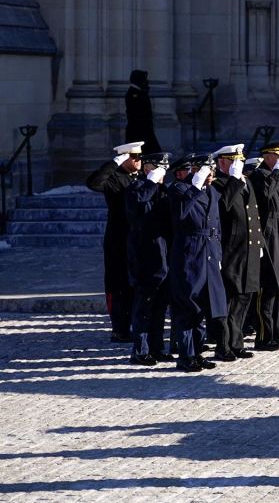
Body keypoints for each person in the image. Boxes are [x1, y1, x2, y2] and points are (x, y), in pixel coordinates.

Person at [167, 154, 227, 372]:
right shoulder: (179, 190)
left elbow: (217, 227)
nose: (211, 175)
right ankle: (185, 355)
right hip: (189, 254)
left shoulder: (212, 191)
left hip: (209, 253)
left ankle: (198, 352)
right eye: (206, 171)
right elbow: (180, 215)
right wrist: (194, 186)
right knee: (187, 306)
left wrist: (218, 256)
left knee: (203, 306)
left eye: (211, 171)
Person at [87, 140, 144, 342]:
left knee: (136, 284)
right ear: (125, 158)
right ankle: (119, 329)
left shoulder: (140, 177)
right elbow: (94, 183)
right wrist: (114, 163)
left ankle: (136, 325)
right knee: (118, 284)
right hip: (118, 239)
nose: (139, 160)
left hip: (137, 238)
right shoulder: (114, 178)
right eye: (134, 157)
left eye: (139, 157)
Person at [212, 143, 263, 362]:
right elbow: (223, 207)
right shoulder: (217, 184)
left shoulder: (244, 181)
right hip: (230, 250)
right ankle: (223, 346)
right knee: (229, 299)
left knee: (244, 297)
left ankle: (237, 342)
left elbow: (253, 214)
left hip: (248, 248)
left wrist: (258, 242)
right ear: (222, 162)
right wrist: (233, 180)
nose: (237, 165)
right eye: (232, 161)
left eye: (239, 161)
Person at [123, 151, 171, 365]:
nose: (162, 172)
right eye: (157, 168)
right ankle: (140, 351)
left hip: (164, 257)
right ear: (147, 169)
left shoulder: (164, 191)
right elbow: (137, 205)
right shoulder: (135, 188)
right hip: (144, 257)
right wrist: (150, 182)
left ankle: (157, 347)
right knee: (144, 306)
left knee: (160, 306)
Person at [249, 140, 279, 351]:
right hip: (268, 236)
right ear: (267, 157)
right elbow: (266, 196)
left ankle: (276, 333)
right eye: (278, 156)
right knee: (267, 289)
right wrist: (277, 173)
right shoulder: (259, 176)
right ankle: (263, 336)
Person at [124, 69, 162, 154]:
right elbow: (137, 113)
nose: (146, 82)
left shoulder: (140, 92)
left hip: (144, 130)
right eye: (144, 79)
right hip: (138, 131)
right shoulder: (133, 93)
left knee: (151, 153)